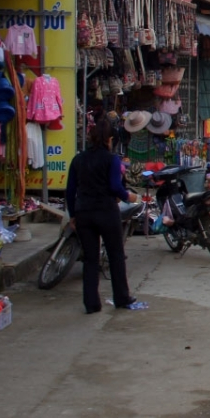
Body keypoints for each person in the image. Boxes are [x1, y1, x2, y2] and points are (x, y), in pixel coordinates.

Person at [65, 118, 145, 314]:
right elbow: (115, 187)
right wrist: (130, 196)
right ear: (109, 139)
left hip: (84, 213)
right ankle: (122, 298)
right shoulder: (111, 160)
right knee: (116, 255)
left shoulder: (78, 159)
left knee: (90, 260)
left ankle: (91, 304)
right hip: (106, 212)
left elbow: (70, 191)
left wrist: (73, 216)